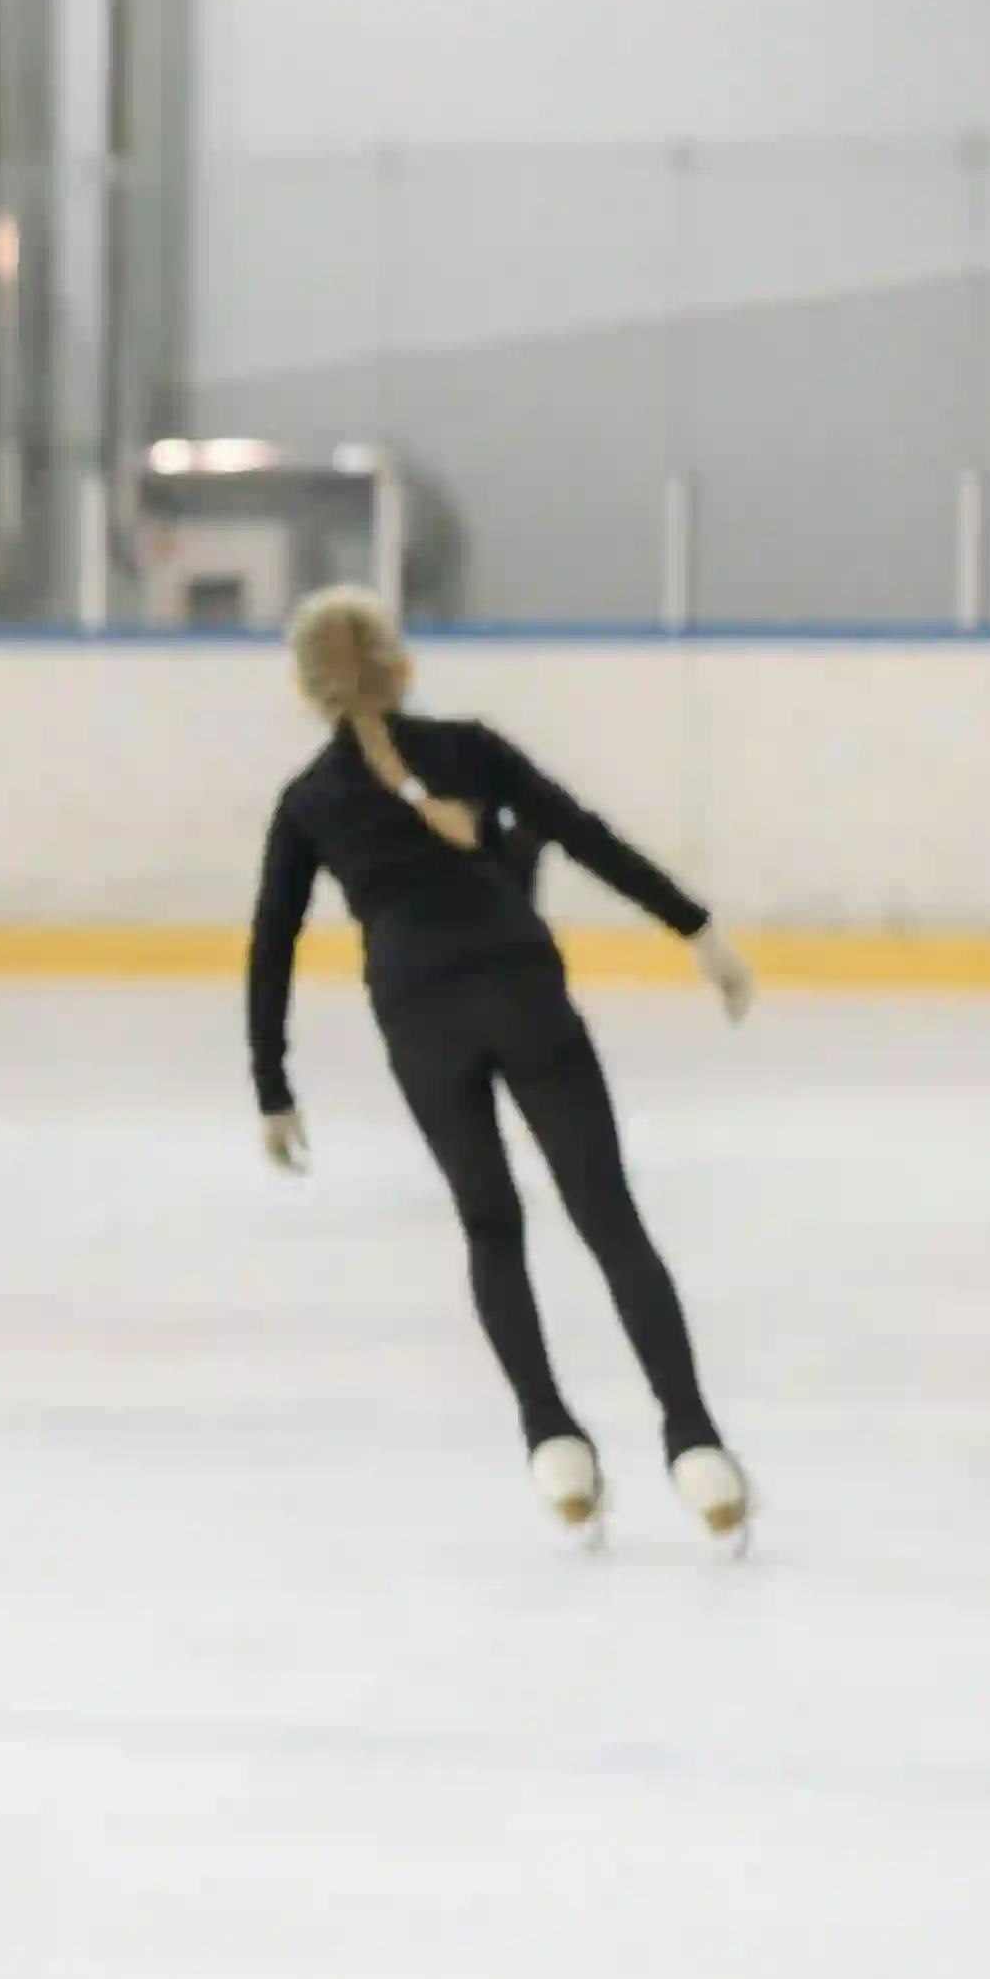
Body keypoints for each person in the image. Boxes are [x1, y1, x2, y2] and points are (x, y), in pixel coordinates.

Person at [246, 585, 755, 1547]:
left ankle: (551, 1442)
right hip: (521, 990)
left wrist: (271, 1086)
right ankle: (695, 1447)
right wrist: (696, 930)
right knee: (608, 1218)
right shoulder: (469, 748)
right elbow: (581, 832)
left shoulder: (309, 801)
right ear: (400, 663)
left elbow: (269, 944)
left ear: (305, 687)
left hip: (420, 1019)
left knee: (490, 1227)